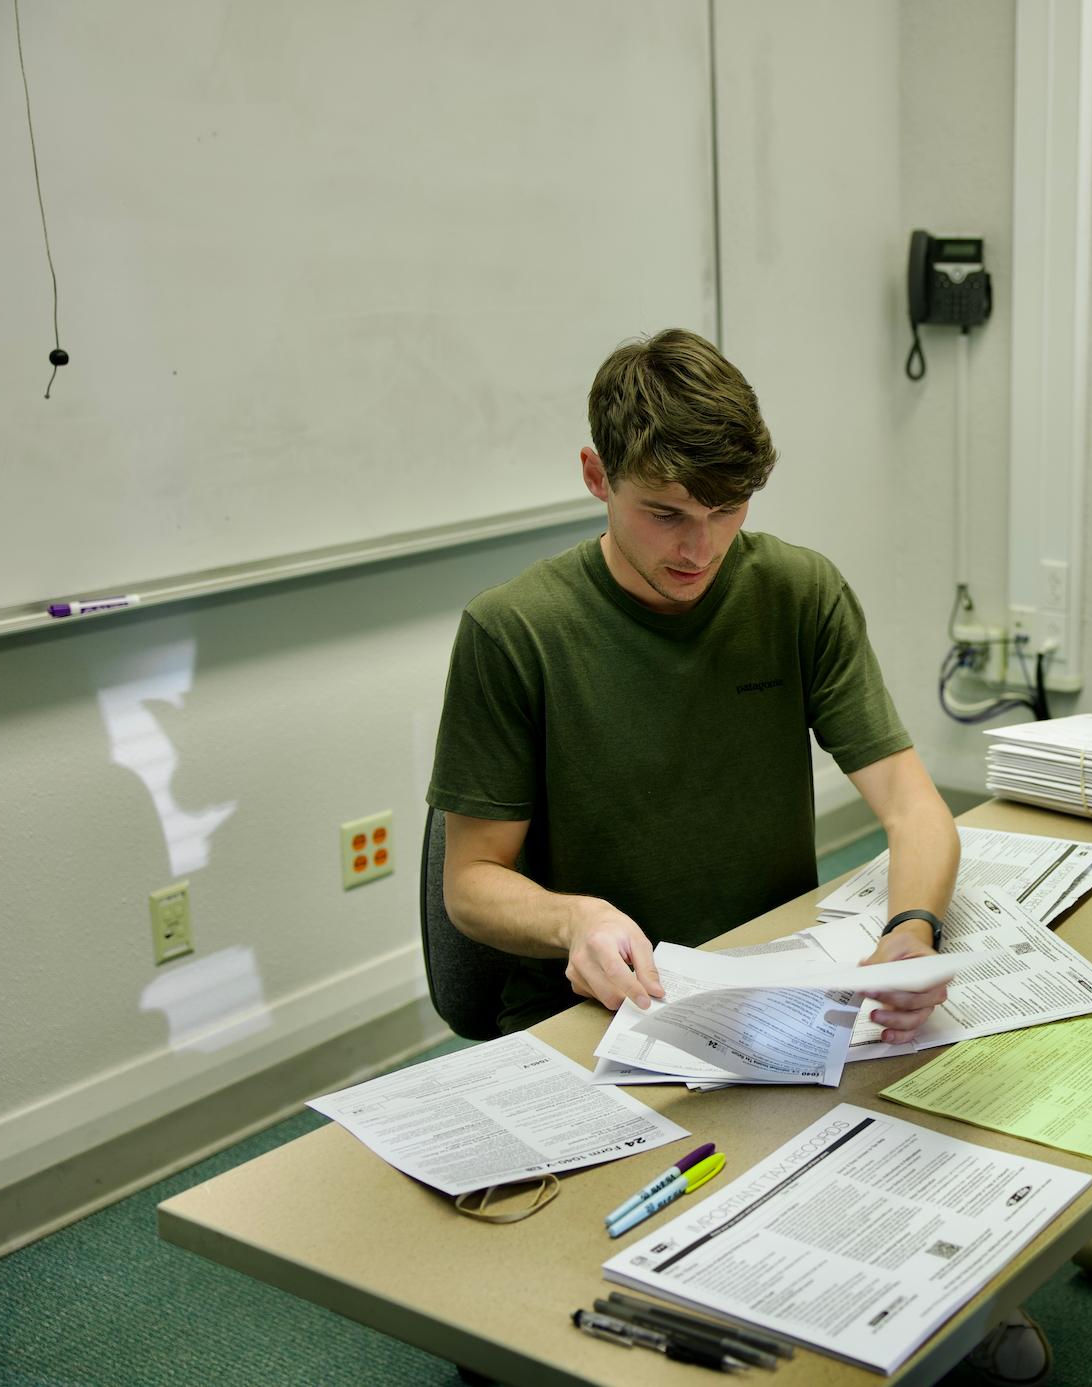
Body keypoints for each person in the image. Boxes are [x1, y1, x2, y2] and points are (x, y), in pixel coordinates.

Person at [426, 330, 1054, 1385]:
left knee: (909, 1205)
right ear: (596, 477)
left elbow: (914, 808)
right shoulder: (515, 632)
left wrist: (911, 929)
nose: (698, 545)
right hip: (598, 1020)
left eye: (727, 511)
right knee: (581, 1304)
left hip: (773, 994)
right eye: (664, 511)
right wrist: (572, 918)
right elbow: (470, 884)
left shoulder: (795, 592)